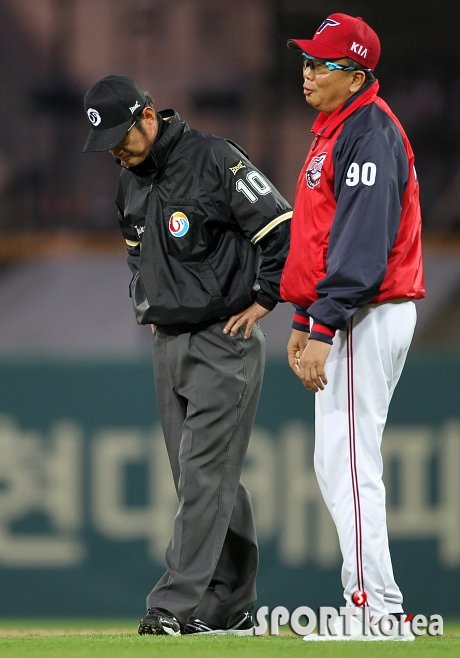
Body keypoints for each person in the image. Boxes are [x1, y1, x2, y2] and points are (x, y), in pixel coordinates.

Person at [82, 75, 292, 636]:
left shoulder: (214, 159)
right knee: (204, 479)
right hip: (168, 342)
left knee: (203, 476)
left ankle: (172, 605)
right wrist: (147, 295)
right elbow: (136, 253)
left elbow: (280, 227)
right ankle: (233, 605)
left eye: (121, 138)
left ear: (149, 116)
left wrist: (266, 297)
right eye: (106, 145)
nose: (116, 153)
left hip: (223, 339)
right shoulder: (129, 183)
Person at [280, 13, 425, 641]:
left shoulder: (368, 133)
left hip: (366, 312)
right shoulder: (340, 129)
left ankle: (372, 611)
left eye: (323, 63)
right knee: (338, 461)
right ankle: (380, 602)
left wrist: (323, 326)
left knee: (349, 463)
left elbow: (361, 249)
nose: (309, 71)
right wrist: (303, 315)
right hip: (350, 313)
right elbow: (320, 239)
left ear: (357, 74)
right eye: (307, 60)